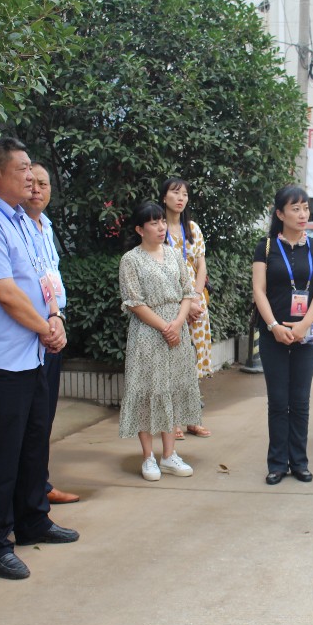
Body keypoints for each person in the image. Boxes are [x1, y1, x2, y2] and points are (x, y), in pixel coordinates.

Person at [0, 137, 79, 581]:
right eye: (23, 168)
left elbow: (44, 278)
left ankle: (32, 520)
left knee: (32, 444)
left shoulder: (24, 221)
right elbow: (5, 292)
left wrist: (55, 315)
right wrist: (46, 328)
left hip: (30, 353)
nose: (32, 176)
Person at [252, 186, 313, 484]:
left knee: (299, 400)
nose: (302, 214)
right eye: (295, 208)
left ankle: (299, 461)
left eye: (305, 208)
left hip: (306, 334)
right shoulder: (267, 246)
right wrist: (273, 325)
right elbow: (259, 289)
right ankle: (276, 463)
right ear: (280, 213)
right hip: (273, 332)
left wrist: (303, 325)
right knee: (278, 400)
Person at [119, 202, 201, 482]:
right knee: (147, 389)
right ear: (139, 229)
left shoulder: (173, 254)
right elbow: (134, 302)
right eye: (153, 223)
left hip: (177, 330)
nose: (161, 227)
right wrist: (165, 326)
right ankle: (147, 457)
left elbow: (187, 292)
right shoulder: (131, 259)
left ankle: (169, 454)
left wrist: (177, 324)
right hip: (147, 331)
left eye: (162, 222)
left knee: (173, 388)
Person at [22, 162, 79, 504]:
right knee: (32, 419)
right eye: (32, 183)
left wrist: (57, 318)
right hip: (33, 332)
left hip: (53, 326)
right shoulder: (17, 227)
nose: (37, 190)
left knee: (45, 416)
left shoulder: (46, 226)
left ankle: (40, 484)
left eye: (44, 184)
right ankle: (33, 491)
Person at [160, 178, 212, 440]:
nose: (180, 198)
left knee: (193, 361)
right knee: (173, 361)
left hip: (196, 302)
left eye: (185, 194)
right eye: (175, 192)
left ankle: (193, 418)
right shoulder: (158, 228)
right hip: (169, 302)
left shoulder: (192, 228)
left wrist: (195, 298)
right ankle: (173, 422)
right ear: (164, 197)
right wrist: (184, 301)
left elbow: (201, 266)